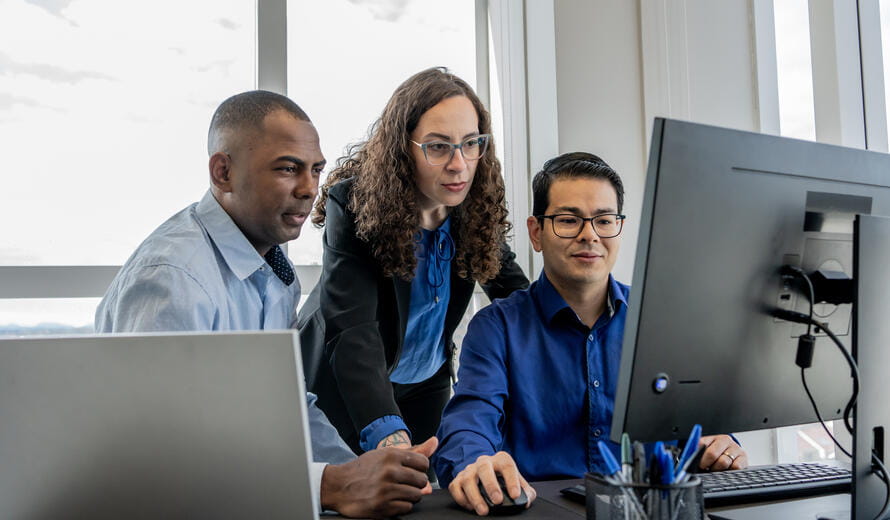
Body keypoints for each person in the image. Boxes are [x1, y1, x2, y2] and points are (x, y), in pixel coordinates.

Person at [95, 90, 436, 519]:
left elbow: (288, 403)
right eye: (288, 169)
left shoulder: (271, 270)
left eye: (315, 170)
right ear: (223, 172)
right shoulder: (173, 279)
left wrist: (360, 471)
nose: (310, 189)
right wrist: (330, 485)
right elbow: (161, 457)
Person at [432, 152, 748, 516]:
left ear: (619, 228)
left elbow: (705, 428)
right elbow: (470, 421)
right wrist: (475, 463)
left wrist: (722, 446)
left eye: (604, 220)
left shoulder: (660, 321)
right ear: (536, 232)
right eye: (568, 220)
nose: (589, 235)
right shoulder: (496, 327)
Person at [297, 67, 529, 458]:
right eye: (438, 147)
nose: (459, 165)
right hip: (348, 386)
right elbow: (354, 331)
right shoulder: (352, 206)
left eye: (471, 143)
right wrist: (387, 432)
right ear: (403, 148)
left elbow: (516, 297)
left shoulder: (473, 207)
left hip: (426, 384)